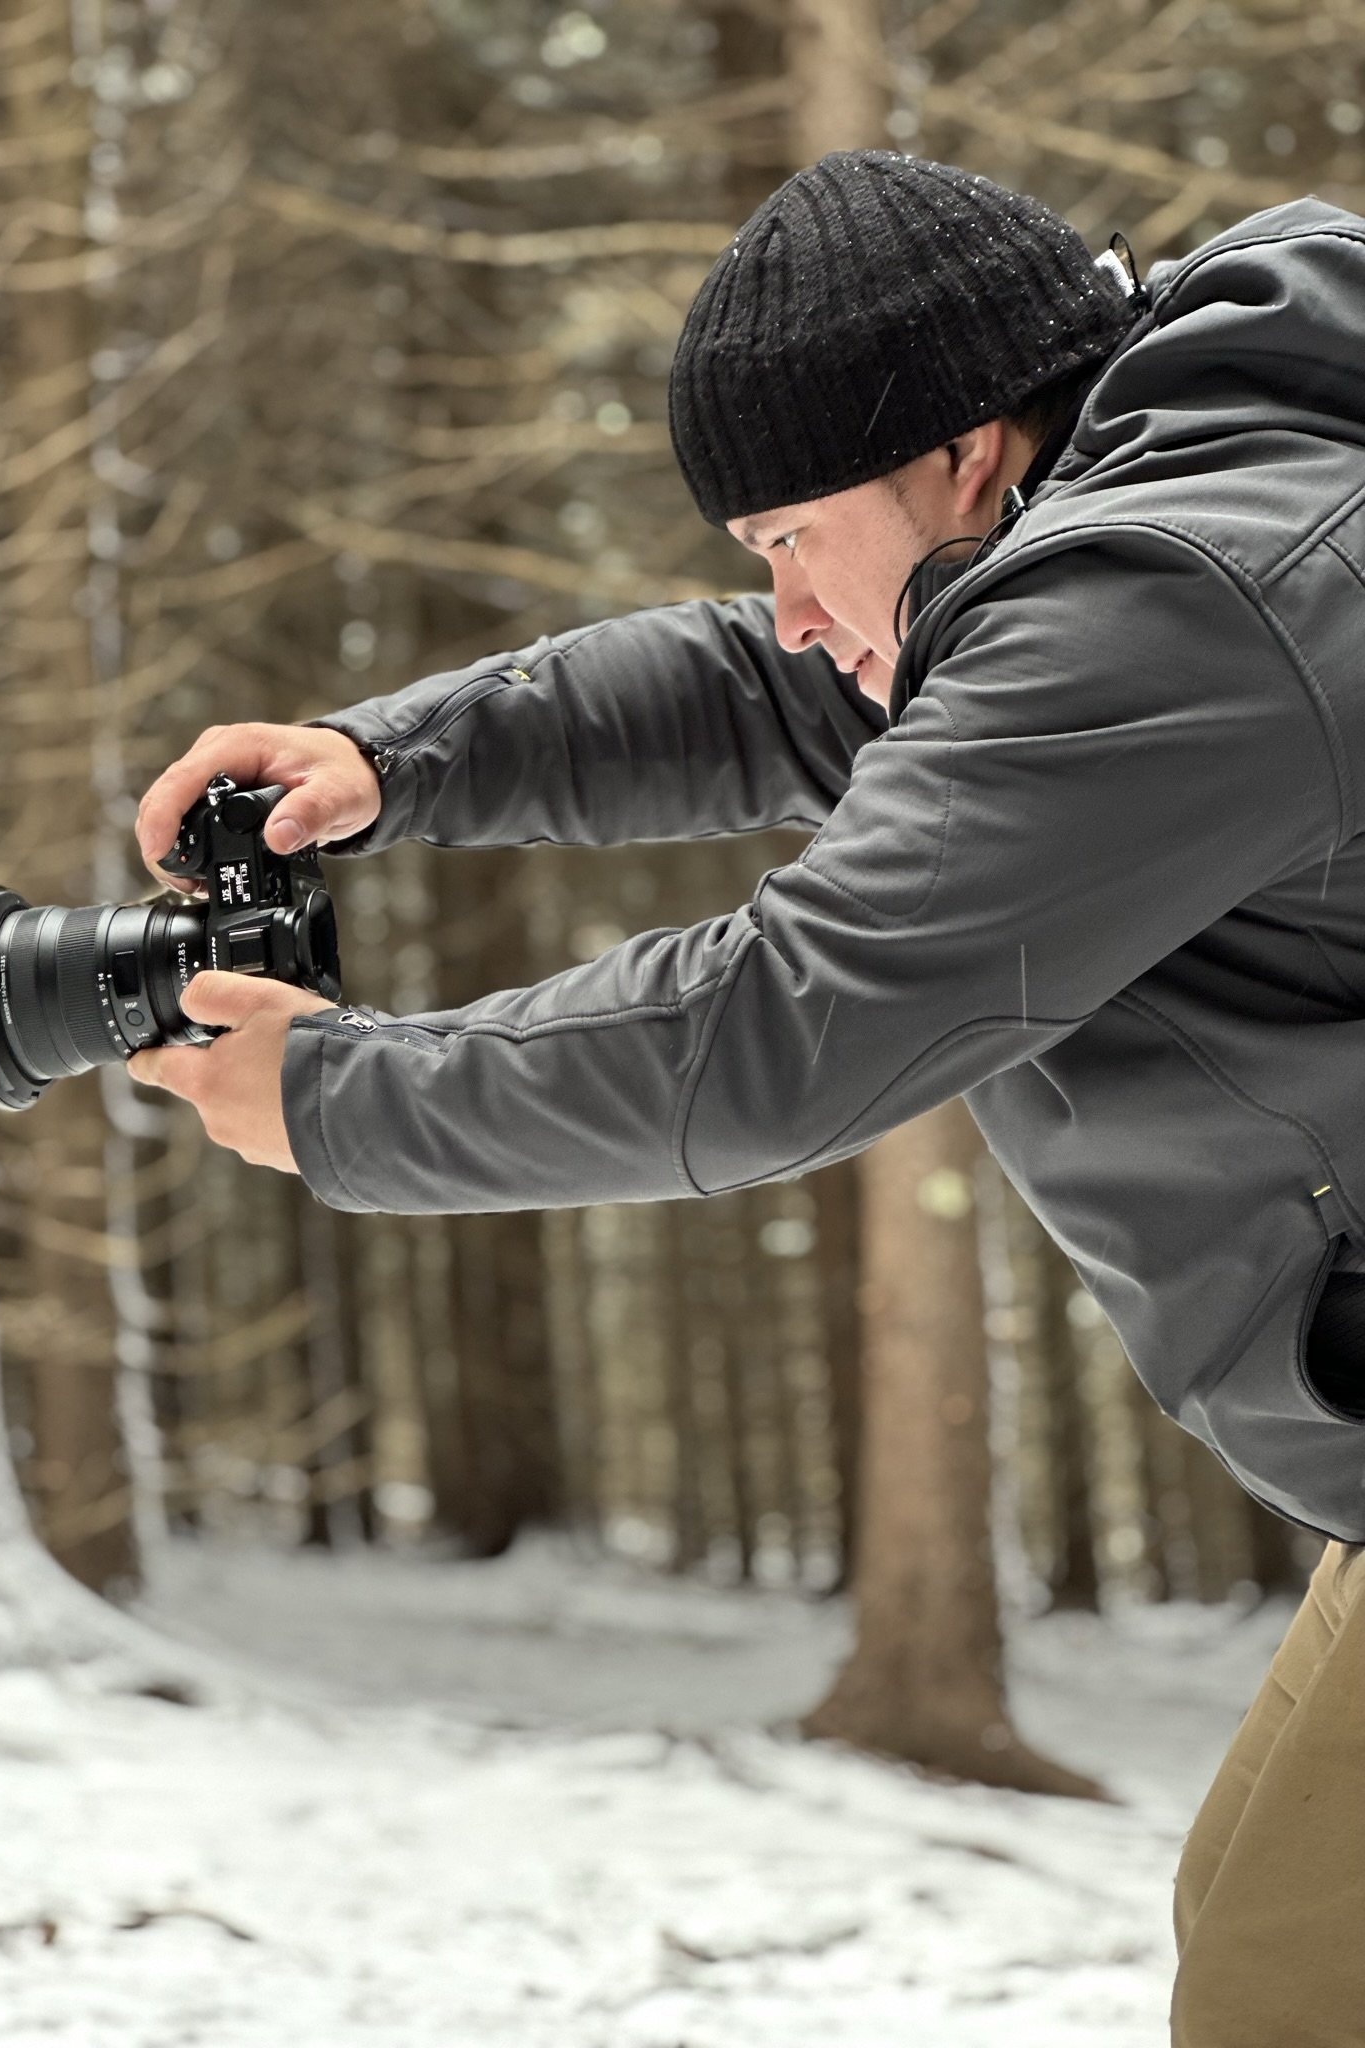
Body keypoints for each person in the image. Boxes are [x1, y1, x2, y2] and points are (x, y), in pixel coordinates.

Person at [130, 152, 1365, 2044]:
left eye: (793, 537)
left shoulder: (1184, 603)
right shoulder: (1157, 508)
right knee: (1260, 1935)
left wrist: (341, 1097)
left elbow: (790, 1022)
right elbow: (775, 688)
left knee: (1288, 1992)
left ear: (964, 456)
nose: (786, 606)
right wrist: (388, 759)